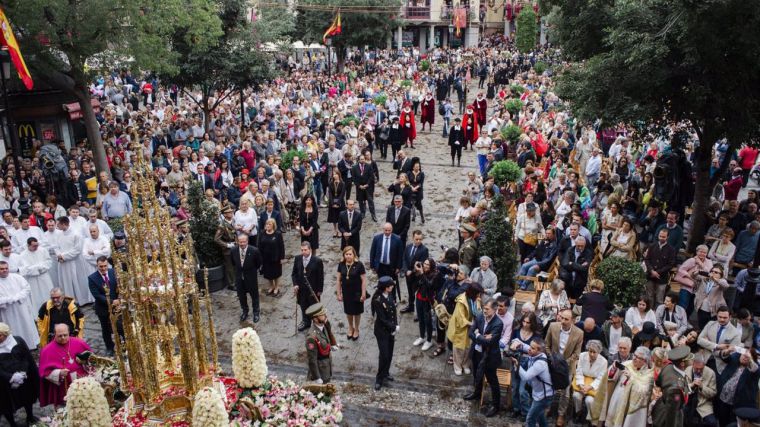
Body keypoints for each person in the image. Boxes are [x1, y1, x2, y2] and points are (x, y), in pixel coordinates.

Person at [463, 298, 504, 418]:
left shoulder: (498, 323)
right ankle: (477, 393)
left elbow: (490, 342)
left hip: (490, 357)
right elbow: (471, 333)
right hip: (477, 352)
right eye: (484, 308)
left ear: (495, 309)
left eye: (487, 309)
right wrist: (481, 337)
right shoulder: (480, 316)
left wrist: (477, 334)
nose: (484, 310)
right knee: (476, 374)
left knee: (492, 381)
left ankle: (496, 406)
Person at [545, 309, 584, 426]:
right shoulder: (553, 326)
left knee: (565, 393)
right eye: (562, 318)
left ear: (573, 320)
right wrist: (552, 359)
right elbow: (546, 345)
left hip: (567, 366)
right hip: (552, 362)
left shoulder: (579, 333)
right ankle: (547, 407)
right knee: (548, 387)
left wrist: (563, 363)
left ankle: (561, 414)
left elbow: (577, 354)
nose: (563, 321)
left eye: (566, 319)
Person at [38, 323, 92, 407]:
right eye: (60, 336)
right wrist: (58, 373)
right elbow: (44, 372)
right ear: (54, 334)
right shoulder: (47, 350)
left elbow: (93, 359)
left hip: (82, 381)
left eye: (65, 335)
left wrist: (84, 361)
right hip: (64, 387)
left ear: (69, 333)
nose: (63, 338)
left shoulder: (79, 342)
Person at [605, 346, 654, 427]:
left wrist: (631, 379)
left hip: (632, 406)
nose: (634, 358)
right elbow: (611, 378)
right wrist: (613, 368)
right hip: (618, 398)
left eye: (639, 357)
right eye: (635, 355)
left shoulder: (649, 374)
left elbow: (643, 391)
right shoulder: (627, 364)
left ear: (645, 361)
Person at [0, 323, 38, 427]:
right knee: (5, 404)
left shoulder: (18, 341)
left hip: (22, 378)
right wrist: (10, 377)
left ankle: (30, 417)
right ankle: (12, 423)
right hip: (4, 383)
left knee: (27, 397)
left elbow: (26, 357)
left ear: (6, 334)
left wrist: (22, 372)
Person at [54, 216, 93, 305]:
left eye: (58, 224)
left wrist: (63, 256)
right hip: (63, 263)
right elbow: (56, 247)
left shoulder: (76, 234)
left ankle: (81, 300)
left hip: (74, 262)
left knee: (76, 281)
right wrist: (58, 255)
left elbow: (77, 250)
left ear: (64, 224)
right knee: (66, 282)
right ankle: (69, 300)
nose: (57, 226)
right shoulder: (59, 234)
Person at [716, 348, 760, 426]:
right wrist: (727, 351)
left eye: (748, 356)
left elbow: (755, 368)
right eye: (743, 355)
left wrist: (749, 358)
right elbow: (724, 357)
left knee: (732, 424)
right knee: (722, 421)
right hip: (723, 399)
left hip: (738, 404)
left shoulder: (754, 370)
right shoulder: (735, 359)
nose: (745, 357)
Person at [0, 261, 39, 349]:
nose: (5, 270)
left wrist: (17, 297)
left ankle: (29, 345)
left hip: (21, 308)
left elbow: (27, 288)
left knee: (25, 325)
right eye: (2, 269)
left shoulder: (17, 277)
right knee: (11, 328)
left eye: (6, 268)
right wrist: (10, 299)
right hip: (7, 311)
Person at [652, 346, 693, 427]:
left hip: (664, 404)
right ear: (682, 363)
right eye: (690, 358)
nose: (692, 360)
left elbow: (658, 382)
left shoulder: (669, 367)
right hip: (667, 417)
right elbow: (671, 414)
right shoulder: (675, 391)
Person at [517, 338, 554, 427]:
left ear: (539, 351)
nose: (529, 349)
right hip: (539, 394)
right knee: (540, 416)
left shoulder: (540, 363)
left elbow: (525, 377)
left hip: (544, 397)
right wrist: (519, 344)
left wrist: (517, 364)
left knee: (530, 419)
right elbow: (526, 347)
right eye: (530, 346)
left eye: (533, 348)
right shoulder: (536, 354)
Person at [448, 283, 483, 376]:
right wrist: (472, 324)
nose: (479, 296)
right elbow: (460, 318)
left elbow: (479, 311)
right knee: (459, 348)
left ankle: (465, 365)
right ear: (473, 292)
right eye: (478, 293)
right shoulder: (461, 301)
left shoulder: (476, 299)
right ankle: (457, 366)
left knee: (469, 347)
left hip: (471, 327)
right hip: (461, 327)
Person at [87, 257, 119, 355]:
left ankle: (124, 344)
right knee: (105, 329)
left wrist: (119, 299)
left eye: (105, 266)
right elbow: (97, 295)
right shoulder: (92, 278)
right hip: (103, 307)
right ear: (97, 266)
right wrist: (111, 301)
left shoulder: (113, 272)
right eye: (101, 266)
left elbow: (119, 286)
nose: (103, 268)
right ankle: (109, 347)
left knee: (120, 326)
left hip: (117, 305)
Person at [572, 340, 608, 424]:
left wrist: (590, 387)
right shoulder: (582, 356)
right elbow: (579, 371)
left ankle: (591, 418)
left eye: (594, 352)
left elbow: (600, 378)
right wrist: (581, 385)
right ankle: (578, 413)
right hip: (582, 381)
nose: (591, 354)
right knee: (576, 396)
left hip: (594, 384)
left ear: (599, 352)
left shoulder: (604, 361)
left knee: (589, 401)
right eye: (590, 351)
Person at [372, 276, 398, 391]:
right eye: (391, 285)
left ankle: (386, 372)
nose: (393, 286)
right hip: (381, 331)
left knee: (390, 353)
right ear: (386, 288)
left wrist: (393, 329)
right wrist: (394, 326)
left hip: (390, 331)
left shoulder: (390, 295)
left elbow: (393, 312)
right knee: (384, 355)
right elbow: (382, 318)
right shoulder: (378, 300)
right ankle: (379, 378)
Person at [697, 306, 741, 374]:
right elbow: (699, 340)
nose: (722, 319)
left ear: (730, 317)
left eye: (725, 318)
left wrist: (707, 344)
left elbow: (731, 353)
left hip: (720, 365)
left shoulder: (736, 333)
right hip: (704, 358)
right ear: (716, 315)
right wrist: (717, 346)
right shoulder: (710, 324)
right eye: (720, 317)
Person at [292, 242, 325, 332]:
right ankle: (306, 321)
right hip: (302, 290)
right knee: (303, 305)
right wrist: (295, 284)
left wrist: (320, 289)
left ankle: (316, 323)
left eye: (305, 250)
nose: (303, 252)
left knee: (314, 307)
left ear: (310, 249)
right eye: (302, 250)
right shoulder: (297, 258)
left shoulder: (317, 261)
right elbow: (294, 274)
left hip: (313, 290)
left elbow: (320, 276)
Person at [336, 246, 367, 341]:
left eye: (350, 254)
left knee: (357, 312)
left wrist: (363, 293)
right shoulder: (341, 264)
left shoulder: (359, 265)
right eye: (346, 254)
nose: (348, 256)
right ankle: (350, 327)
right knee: (348, 311)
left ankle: (356, 329)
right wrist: (338, 293)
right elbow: (338, 280)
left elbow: (364, 280)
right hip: (347, 293)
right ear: (344, 255)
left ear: (354, 255)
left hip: (357, 292)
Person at [231, 234, 263, 323]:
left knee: (254, 296)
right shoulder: (233, 250)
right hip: (239, 278)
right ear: (237, 241)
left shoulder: (254, 250)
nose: (242, 244)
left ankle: (256, 312)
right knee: (241, 296)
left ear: (247, 241)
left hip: (251, 278)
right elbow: (233, 263)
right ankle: (245, 311)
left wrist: (251, 271)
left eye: (244, 241)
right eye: (240, 242)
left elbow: (258, 263)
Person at [369, 222, 404, 301]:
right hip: (380, 266)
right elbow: (372, 252)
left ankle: (393, 300)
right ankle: (382, 299)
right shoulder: (377, 238)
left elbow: (400, 255)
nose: (387, 232)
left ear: (392, 230)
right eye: (386, 230)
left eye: (389, 230)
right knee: (381, 283)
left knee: (392, 284)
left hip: (391, 267)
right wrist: (372, 265)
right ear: (383, 230)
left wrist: (398, 267)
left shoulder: (397, 239)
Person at [675, 245, 713, 316]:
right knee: (682, 305)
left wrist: (700, 263)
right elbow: (681, 269)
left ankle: (686, 321)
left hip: (699, 288)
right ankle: (678, 320)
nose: (702, 254)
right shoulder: (691, 260)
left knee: (691, 307)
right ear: (697, 252)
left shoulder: (709, 262)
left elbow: (709, 272)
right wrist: (689, 276)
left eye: (704, 252)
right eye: (701, 252)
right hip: (687, 286)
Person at [17, 237, 54, 310]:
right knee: (36, 297)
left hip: (44, 276)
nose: (36, 247)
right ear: (28, 245)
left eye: (37, 245)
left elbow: (49, 262)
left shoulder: (43, 250)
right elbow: (25, 270)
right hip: (32, 280)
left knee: (48, 293)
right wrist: (38, 268)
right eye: (34, 246)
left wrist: (39, 268)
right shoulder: (22, 255)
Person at [643, 228, 677, 305]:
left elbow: (671, 264)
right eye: (660, 236)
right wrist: (651, 270)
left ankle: (658, 315)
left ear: (667, 237)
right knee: (649, 296)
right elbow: (647, 259)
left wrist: (658, 272)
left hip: (662, 277)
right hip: (650, 275)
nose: (661, 238)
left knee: (660, 298)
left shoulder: (671, 249)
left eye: (663, 237)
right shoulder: (652, 246)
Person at [304, 302, 337, 384]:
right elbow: (312, 360)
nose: (325, 316)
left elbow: (326, 338)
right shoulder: (311, 337)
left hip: (327, 366)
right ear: (315, 319)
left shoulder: (323, 326)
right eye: (322, 315)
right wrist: (317, 377)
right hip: (320, 370)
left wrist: (331, 346)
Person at [684, 353, 718, 427]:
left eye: (701, 369)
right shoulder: (687, 370)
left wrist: (702, 387)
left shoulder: (711, 373)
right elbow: (683, 389)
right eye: (697, 369)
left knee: (712, 423)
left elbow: (713, 393)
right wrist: (692, 385)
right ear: (693, 364)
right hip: (688, 402)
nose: (699, 371)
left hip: (703, 404)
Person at [411, 257, 437, 351]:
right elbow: (414, 282)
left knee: (428, 321)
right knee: (421, 319)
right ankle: (422, 337)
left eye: (427, 265)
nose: (425, 266)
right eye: (424, 264)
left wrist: (422, 274)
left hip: (427, 301)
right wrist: (415, 271)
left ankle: (429, 340)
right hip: (419, 298)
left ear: (431, 266)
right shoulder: (421, 272)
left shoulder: (434, 274)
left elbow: (429, 285)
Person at [693, 264, 729, 329]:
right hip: (702, 307)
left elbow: (726, 286)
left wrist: (715, 279)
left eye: (716, 272)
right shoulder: (705, 279)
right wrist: (698, 272)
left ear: (720, 275)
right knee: (701, 327)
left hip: (714, 310)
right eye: (712, 271)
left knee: (711, 328)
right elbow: (694, 276)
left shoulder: (721, 281)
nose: (713, 273)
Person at [401, 230, 429, 313]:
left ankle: (418, 311)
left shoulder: (424, 250)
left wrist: (412, 271)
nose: (418, 241)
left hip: (417, 276)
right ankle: (410, 307)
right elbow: (404, 259)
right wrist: (406, 270)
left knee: (418, 294)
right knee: (410, 292)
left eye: (420, 239)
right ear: (412, 238)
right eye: (416, 239)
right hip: (408, 275)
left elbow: (422, 264)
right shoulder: (408, 247)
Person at [257, 219, 285, 298]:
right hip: (265, 258)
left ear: (273, 225)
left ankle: (276, 287)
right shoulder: (262, 233)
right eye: (266, 224)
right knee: (268, 274)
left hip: (275, 258)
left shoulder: (278, 234)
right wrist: (259, 257)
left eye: (269, 224)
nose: (267, 226)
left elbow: (281, 246)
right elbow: (259, 246)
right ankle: (271, 286)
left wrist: (282, 258)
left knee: (276, 273)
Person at [215, 205, 238, 289]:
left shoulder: (233, 221)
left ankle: (236, 281)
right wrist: (227, 245)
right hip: (228, 249)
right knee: (230, 267)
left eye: (231, 212)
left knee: (235, 265)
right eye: (229, 212)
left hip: (235, 246)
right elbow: (216, 239)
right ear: (224, 214)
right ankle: (231, 284)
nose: (231, 213)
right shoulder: (222, 225)